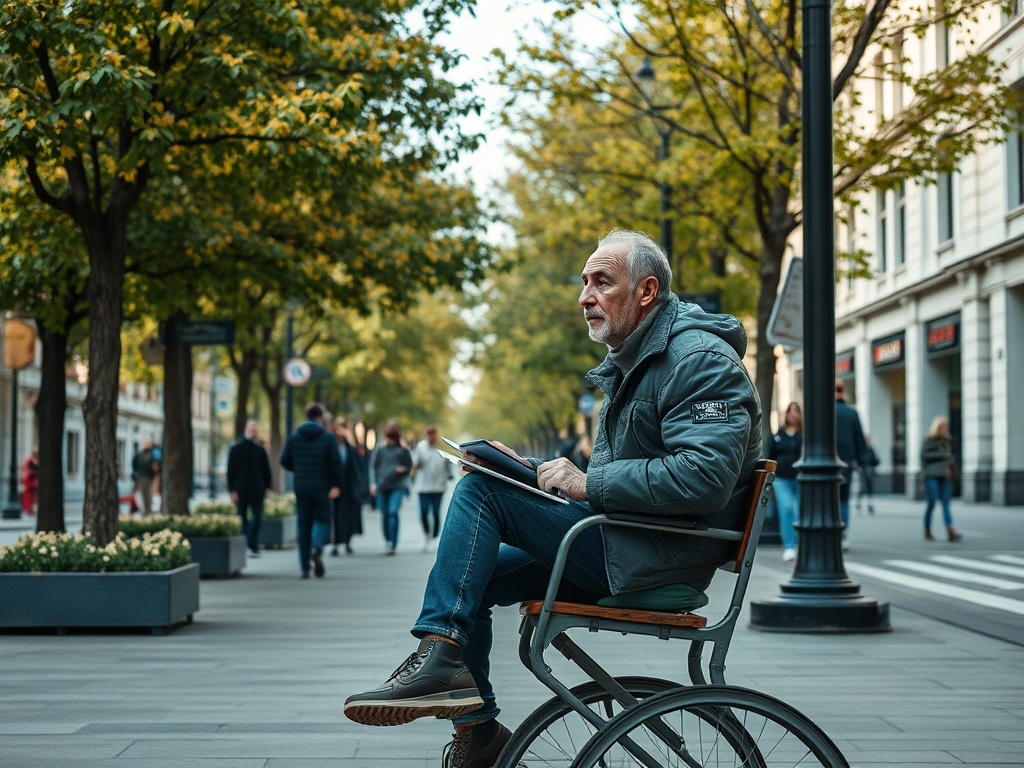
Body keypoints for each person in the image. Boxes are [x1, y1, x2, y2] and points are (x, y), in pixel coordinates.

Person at [343, 229, 762, 767]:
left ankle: (439, 657)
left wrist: (586, 483)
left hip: (656, 556)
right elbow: (639, 474)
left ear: (646, 292)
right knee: (478, 571)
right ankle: (480, 732)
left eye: (602, 282)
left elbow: (702, 478)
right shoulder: (638, 361)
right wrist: (530, 470)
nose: (585, 296)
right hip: (632, 540)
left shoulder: (697, 360)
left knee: (479, 493)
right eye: (584, 282)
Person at [280, 403, 343, 578]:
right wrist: (336, 485)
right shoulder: (328, 438)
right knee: (323, 518)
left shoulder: (294, 437)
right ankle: (317, 546)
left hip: (301, 485)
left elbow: (284, 460)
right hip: (322, 486)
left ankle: (304, 567)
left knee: (303, 523)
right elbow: (336, 463)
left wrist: (299, 468)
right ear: (321, 417)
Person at [227, 420, 273, 557]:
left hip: (257, 489)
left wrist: (267, 486)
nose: (253, 432)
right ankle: (248, 544)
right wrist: (232, 490)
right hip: (241, 490)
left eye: (255, 430)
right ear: (246, 430)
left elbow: (266, 470)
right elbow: (230, 470)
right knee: (242, 517)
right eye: (251, 429)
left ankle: (252, 544)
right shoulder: (236, 449)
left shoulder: (260, 450)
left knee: (258, 517)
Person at [369, 420, 413, 555]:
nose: (390, 440)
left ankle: (393, 543)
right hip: (382, 486)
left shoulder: (403, 450)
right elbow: (373, 467)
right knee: (385, 514)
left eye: (393, 437)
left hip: (397, 486)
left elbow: (409, 466)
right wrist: (373, 483)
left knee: (393, 512)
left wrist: (403, 469)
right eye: (389, 436)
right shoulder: (380, 449)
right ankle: (388, 539)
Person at [768, 402, 802, 562]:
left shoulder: (804, 435)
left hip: (801, 478)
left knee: (798, 512)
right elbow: (771, 454)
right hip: (782, 478)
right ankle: (789, 547)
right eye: (790, 411)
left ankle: (798, 544)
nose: (792, 414)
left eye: (796, 411)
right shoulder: (779, 434)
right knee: (786, 509)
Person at [835, 380, 867, 550]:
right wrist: (860, 461)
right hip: (846, 462)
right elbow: (859, 438)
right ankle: (843, 534)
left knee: (828, 498)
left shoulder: (824, 412)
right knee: (844, 499)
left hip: (827, 460)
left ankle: (831, 533)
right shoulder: (851, 413)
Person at [412, 424, 453, 551]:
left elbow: (447, 464)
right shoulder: (420, 447)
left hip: (438, 486)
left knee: (435, 512)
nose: (431, 436)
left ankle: (434, 537)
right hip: (423, 486)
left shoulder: (441, 447)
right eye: (429, 433)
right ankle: (427, 534)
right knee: (424, 512)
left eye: (433, 433)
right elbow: (415, 464)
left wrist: (450, 474)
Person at [921, 415, 962, 542]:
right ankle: (927, 528)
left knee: (946, 503)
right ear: (937, 427)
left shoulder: (947, 440)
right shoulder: (929, 439)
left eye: (946, 427)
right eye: (943, 427)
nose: (945, 429)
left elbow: (950, 457)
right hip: (932, 475)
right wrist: (942, 455)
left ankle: (950, 530)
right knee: (932, 501)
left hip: (946, 475)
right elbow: (924, 455)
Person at [330, 417, 367, 556]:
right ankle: (335, 543)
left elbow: (358, 466)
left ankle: (347, 541)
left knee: (349, 515)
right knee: (335, 515)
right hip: (335, 486)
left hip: (350, 486)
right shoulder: (331, 444)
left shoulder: (350, 447)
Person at [131, 438, 160, 517]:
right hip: (141, 478)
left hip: (150, 478)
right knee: (142, 495)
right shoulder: (139, 454)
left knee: (149, 495)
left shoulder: (154, 455)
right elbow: (134, 465)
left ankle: (148, 511)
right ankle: (144, 511)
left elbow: (157, 466)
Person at [857, 437, 880, 515]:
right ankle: (859, 505)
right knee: (862, 489)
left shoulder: (871, 450)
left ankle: (870, 506)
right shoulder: (862, 450)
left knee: (870, 489)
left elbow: (876, 460)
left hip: (869, 472)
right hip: (863, 472)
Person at [20, 448, 38, 516]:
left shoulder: (32, 460)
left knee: (32, 496)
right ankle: (28, 510)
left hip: (31, 481)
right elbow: (28, 471)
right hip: (29, 481)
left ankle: (30, 509)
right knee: (28, 496)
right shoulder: (29, 461)